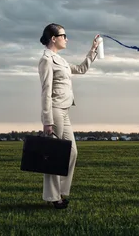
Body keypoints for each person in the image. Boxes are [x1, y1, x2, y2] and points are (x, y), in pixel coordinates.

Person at [38, 23, 100, 209]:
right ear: (53, 38)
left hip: (65, 111)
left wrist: (93, 50)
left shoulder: (60, 60)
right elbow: (45, 91)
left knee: (72, 152)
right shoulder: (47, 60)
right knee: (55, 155)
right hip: (55, 110)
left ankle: (61, 192)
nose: (66, 39)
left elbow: (81, 69)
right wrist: (47, 120)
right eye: (64, 35)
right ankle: (53, 197)